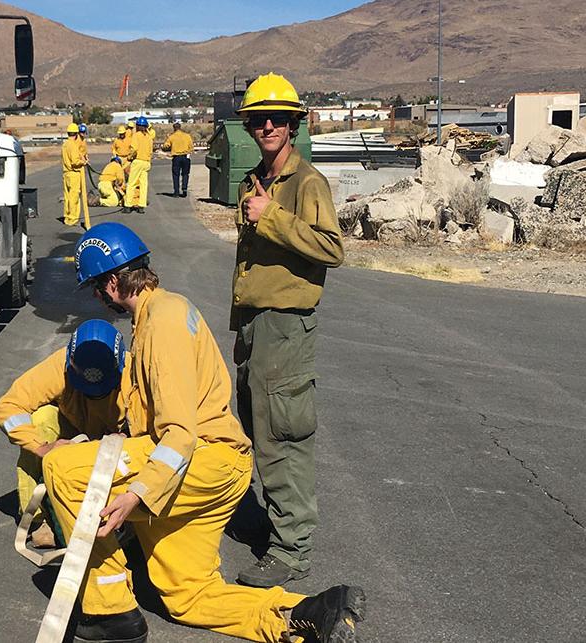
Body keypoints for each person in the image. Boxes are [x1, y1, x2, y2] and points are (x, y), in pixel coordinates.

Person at [42, 221, 363, 643]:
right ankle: (304, 615)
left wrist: (136, 494)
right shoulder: (161, 313)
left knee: (63, 468)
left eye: (97, 289)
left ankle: (110, 611)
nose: (99, 299)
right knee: (188, 597)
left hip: (202, 461)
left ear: (115, 281)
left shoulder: (163, 325)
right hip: (215, 468)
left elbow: (179, 436)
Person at [230, 72, 344, 588]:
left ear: (294, 124)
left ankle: (291, 549)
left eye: (278, 118)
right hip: (256, 327)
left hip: (286, 326)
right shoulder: (255, 180)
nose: (268, 126)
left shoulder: (306, 183)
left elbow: (331, 249)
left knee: (283, 436)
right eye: (258, 119)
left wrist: (272, 216)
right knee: (258, 430)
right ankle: (276, 522)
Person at [0, 319, 131, 548]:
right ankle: (39, 521)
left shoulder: (134, 373)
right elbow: (6, 407)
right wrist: (42, 447)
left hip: (117, 442)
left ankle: (125, 521)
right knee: (40, 421)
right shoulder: (60, 366)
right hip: (73, 429)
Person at [62, 123, 90, 228]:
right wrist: (83, 162)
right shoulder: (72, 145)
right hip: (74, 173)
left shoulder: (65, 144)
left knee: (68, 196)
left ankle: (67, 216)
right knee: (74, 197)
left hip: (66, 173)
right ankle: (73, 219)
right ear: (76, 133)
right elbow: (75, 161)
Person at [123, 117, 153, 213]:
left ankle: (128, 205)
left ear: (138, 126)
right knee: (143, 185)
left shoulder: (136, 135)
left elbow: (134, 149)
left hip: (138, 161)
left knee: (131, 184)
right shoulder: (149, 137)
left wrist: (129, 157)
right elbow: (150, 151)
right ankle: (141, 206)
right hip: (146, 162)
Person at [162, 122, 194, 198]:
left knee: (176, 175)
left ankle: (176, 192)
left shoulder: (172, 137)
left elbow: (165, 146)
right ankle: (184, 188)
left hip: (176, 158)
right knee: (185, 174)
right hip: (186, 157)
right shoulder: (187, 136)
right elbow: (191, 147)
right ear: (180, 127)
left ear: (174, 128)